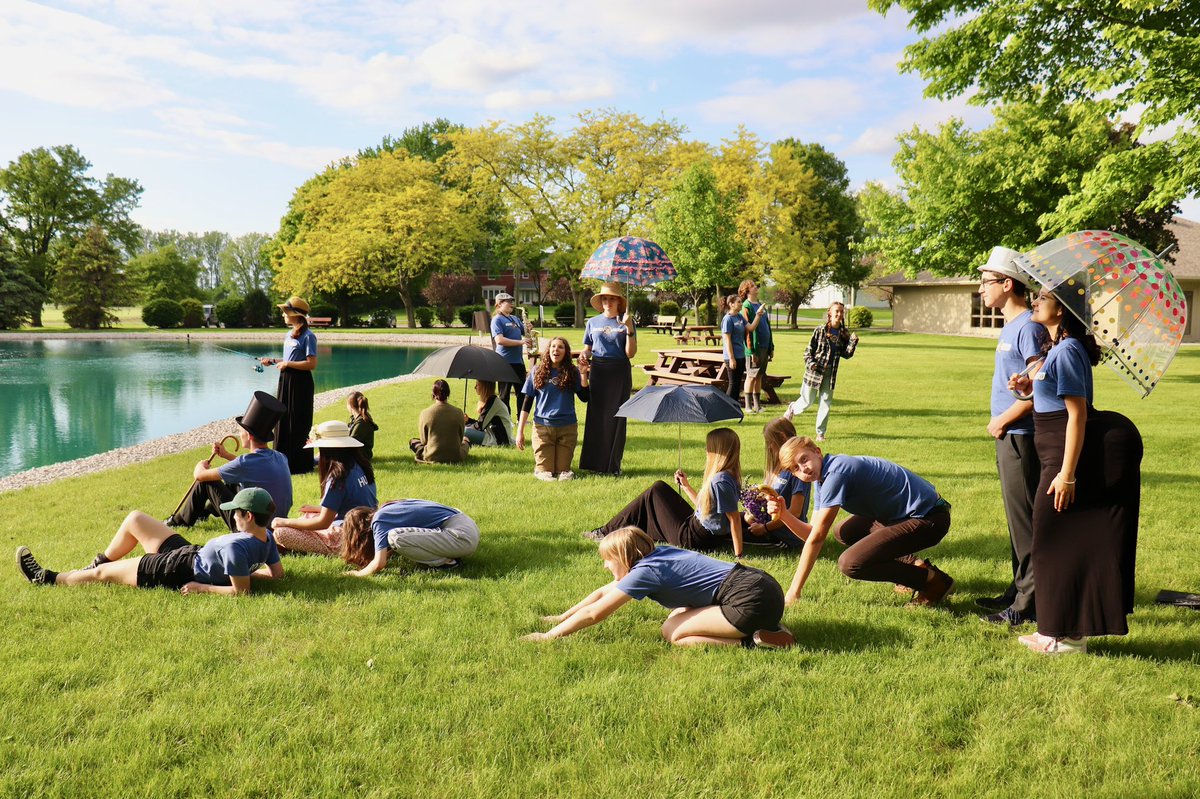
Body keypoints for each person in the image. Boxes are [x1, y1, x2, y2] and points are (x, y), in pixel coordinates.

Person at [1007, 287, 1142, 656]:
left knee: (1050, 542)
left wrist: (1067, 474)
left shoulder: (1066, 350)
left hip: (1062, 454)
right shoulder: (1058, 348)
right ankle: (1059, 631)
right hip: (1053, 448)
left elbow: (1077, 415)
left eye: (1043, 298)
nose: (1034, 302)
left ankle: (1063, 637)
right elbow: (1050, 397)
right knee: (1055, 543)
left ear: (1062, 309)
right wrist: (1026, 387)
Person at [523, 526, 794, 648]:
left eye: (607, 560)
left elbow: (595, 613)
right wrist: (561, 617)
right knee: (677, 614)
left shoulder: (645, 572)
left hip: (749, 601)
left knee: (673, 633)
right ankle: (769, 626)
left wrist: (549, 636)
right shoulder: (659, 553)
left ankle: (753, 641)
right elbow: (603, 592)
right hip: (765, 586)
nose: (605, 566)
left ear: (624, 558)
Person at [771, 436, 955, 607]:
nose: (803, 469)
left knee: (851, 563)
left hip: (930, 519)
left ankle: (933, 582)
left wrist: (794, 591)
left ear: (817, 452)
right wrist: (784, 515)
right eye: (795, 468)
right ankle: (914, 565)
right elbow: (812, 533)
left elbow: (817, 538)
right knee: (845, 532)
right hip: (909, 516)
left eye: (804, 459)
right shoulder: (822, 479)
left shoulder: (836, 473)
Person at [16, 487, 284, 596]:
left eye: (236, 512)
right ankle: (95, 564)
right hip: (191, 553)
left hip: (177, 569)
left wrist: (202, 588)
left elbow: (241, 593)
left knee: (103, 575)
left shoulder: (236, 548)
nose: (233, 516)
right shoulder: (266, 538)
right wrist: (245, 572)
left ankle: (46, 578)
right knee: (136, 519)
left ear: (249, 516)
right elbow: (277, 575)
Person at [976, 247, 1047, 626]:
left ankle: (1028, 604)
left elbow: (1042, 386)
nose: (981, 288)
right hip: (1009, 434)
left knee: (1025, 521)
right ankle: (1017, 590)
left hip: (1020, 435)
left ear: (1007, 284)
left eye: (986, 281)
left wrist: (1003, 419)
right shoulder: (1013, 326)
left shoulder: (1029, 327)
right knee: (1015, 518)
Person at [583, 428, 746, 557]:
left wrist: (738, 555)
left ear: (718, 451)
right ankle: (610, 531)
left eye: (709, 447)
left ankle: (605, 532)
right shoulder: (728, 476)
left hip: (693, 538)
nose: (706, 450)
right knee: (656, 494)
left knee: (656, 490)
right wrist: (686, 486)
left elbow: (734, 520)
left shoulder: (720, 481)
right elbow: (706, 508)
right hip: (699, 529)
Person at [166, 391, 293, 531]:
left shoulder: (245, 463)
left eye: (241, 431)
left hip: (251, 526)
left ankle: (180, 521)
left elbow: (200, 476)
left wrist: (199, 466)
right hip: (277, 522)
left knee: (207, 482)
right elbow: (250, 469)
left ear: (249, 436)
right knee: (232, 481)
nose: (239, 434)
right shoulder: (280, 457)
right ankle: (204, 512)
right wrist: (226, 455)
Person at [272, 421, 377, 555]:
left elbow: (323, 522)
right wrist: (318, 509)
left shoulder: (338, 477)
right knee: (308, 515)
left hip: (347, 537)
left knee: (281, 533)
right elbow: (354, 502)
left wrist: (284, 521)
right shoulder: (361, 466)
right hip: (367, 529)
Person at [579, 282, 636, 475]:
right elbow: (588, 348)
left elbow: (630, 353)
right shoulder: (592, 322)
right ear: (601, 301)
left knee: (617, 418)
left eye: (612, 299)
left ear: (619, 302)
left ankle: (613, 465)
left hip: (619, 371)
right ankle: (593, 463)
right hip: (598, 371)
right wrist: (584, 356)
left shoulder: (626, 321)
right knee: (596, 417)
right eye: (605, 299)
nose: (608, 302)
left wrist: (629, 327)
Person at [516, 337, 590, 481]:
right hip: (543, 428)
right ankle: (541, 469)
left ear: (566, 352)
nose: (556, 349)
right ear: (548, 350)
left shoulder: (572, 371)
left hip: (567, 427)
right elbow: (527, 402)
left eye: (560, 347)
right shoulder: (537, 371)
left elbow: (585, 397)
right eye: (553, 346)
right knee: (546, 472)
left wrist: (583, 374)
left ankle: (563, 468)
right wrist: (520, 431)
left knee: (563, 473)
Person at [340, 500, 481, 575]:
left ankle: (447, 562)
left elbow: (379, 563)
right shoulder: (389, 509)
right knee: (396, 539)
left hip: (461, 537)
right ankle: (450, 555)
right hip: (467, 526)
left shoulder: (379, 521)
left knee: (395, 538)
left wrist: (357, 574)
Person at [784, 301, 859, 442]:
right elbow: (808, 351)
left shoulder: (844, 333)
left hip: (830, 374)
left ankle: (820, 433)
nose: (839, 314)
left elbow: (846, 354)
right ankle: (792, 408)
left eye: (841, 312)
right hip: (815, 372)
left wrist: (852, 342)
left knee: (825, 403)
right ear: (829, 313)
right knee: (807, 401)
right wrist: (811, 364)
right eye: (837, 311)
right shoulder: (820, 330)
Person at [260, 296, 317, 474]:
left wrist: (287, 364)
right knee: (283, 419)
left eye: (285, 312)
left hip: (300, 383)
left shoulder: (309, 336)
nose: (283, 315)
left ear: (295, 314)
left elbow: (311, 364)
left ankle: (299, 464)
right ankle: (282, 462)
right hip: (286, 380)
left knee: (298, 420)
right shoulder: (288, 334)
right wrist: (273, 361)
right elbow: (289, 359)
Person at [745, 417, 809, 549]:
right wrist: (750, 513)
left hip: (785, 537)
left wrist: (765, 528)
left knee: (728, 535)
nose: (769, 446)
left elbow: (795, 512)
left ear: (782, 437)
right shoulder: (776, 467)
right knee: (730, 520)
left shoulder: (797, 471)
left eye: (770, 442)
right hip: (769, 526)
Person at [410, 379, 469, 464]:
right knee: (466, 441)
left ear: (433, 394)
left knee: (413, 441)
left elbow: (423, 441)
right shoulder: (459, 412)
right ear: (448, 393)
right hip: (456, 456)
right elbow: (460, 438)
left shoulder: (424, 413)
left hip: (431, 456)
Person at [490, 292, 530, 413]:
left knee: (522, 392)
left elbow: (526, 333)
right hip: (504, 362)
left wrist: (529, 327)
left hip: (518, 362)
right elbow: (499, 340)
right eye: (508, 302)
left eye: (512, 301)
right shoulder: (497, 320)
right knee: (504, 395)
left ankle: (520, 419)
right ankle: (506, 419)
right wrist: (521, 342)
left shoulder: (515, 319)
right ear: (499, 305)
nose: (511, 304)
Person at [739, 279, 773, 414]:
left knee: (759, 376)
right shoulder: (746, 306)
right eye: (752, 286)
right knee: (751, 376)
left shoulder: (759, 305)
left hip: (764, 346)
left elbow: (767, 326)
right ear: (746, 290)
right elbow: (747, 330)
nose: (756, 287)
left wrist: (771, 347)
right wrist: (751, 350)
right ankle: (748, 406)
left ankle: (757, 406)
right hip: (754, 349)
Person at [464, 380, 513, 447]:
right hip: (495, 435)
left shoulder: (492, 401)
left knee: (463, 431)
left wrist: (467, 425)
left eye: (477, 385)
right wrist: (468, 420)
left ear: (484, 387)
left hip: (500, 440)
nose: (475, 387)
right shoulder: (492, 400)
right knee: (462, 429)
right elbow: (482, 423)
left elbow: (480, 426)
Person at [720, 294, 749, 406]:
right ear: (731, 304)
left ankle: (734, 406)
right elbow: (727, 340)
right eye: (739, 302)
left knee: (737, 383)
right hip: (732, 357)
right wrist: (732, 358)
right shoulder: (727, 319)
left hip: (741, 355)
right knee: (733, 384)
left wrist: (758, 315)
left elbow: (750, 327)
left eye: (741, 302)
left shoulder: (739, 317)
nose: (741, 304)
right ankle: (727, 406)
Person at [346, 391, 379, 460]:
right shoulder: (357, 418)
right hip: (358, 453)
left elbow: (352, 442)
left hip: (361, 456)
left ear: (351, 406)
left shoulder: (362, 422)